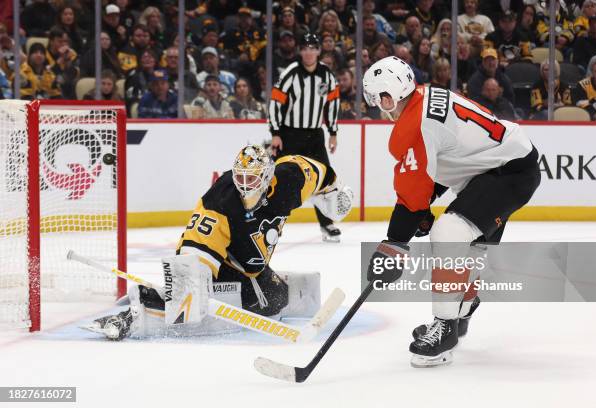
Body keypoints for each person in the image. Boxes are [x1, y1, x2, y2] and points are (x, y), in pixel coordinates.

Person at [362, 56, 540, 367]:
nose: (377, 105)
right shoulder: (424, 96)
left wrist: (394, 243)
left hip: (505, 172)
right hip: (502, 161)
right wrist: (419, 212)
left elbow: (414, 192)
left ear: (389, 96)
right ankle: (460, 311)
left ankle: (444, 328)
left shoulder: (413, 126)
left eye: (378, 98)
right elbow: (447, 160)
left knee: (450, 232)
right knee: (466, 242)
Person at [85, 145, 352, 340]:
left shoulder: (290, 179)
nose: (245, 186)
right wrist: (191, 290)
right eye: (241, 178)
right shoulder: (221, 201)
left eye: (252, 179)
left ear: (269, 176)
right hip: (221, 261)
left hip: (250, 263)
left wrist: (335, 193)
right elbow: (193, 250)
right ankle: (142, 305)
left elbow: (321, 172)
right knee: (199, 305)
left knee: (277, 297)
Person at [268, 33, 344, 242]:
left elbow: (333, 104)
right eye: (305, 48)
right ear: (300, 51)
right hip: (290, 134)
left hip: (315, 136)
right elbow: (276, 102)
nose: (309, 52)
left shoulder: (326, 75)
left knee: (325, 179)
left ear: (319, 51)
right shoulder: (290, 73)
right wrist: (275, 133)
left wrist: (333, 133)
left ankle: (326, 223)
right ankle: (272, 223)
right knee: (281, 180)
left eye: (313, 48)